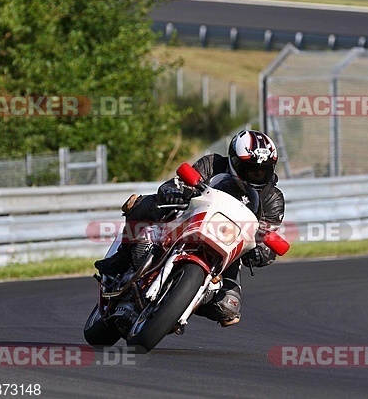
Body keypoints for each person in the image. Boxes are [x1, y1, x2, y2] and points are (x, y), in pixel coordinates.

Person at [94, 129, 285, 327]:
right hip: (191, 220)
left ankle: (180, 303)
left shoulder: (273, 199)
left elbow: (268, 235)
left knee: (229, 307)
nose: (257, 174)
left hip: (228, 249)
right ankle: (123, 255)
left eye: (263, 170)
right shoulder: (213, 164)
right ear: (233, 160)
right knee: (148, 204)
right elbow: (180, 182)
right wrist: (175, 191)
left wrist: (261, 252)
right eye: (250, 168)